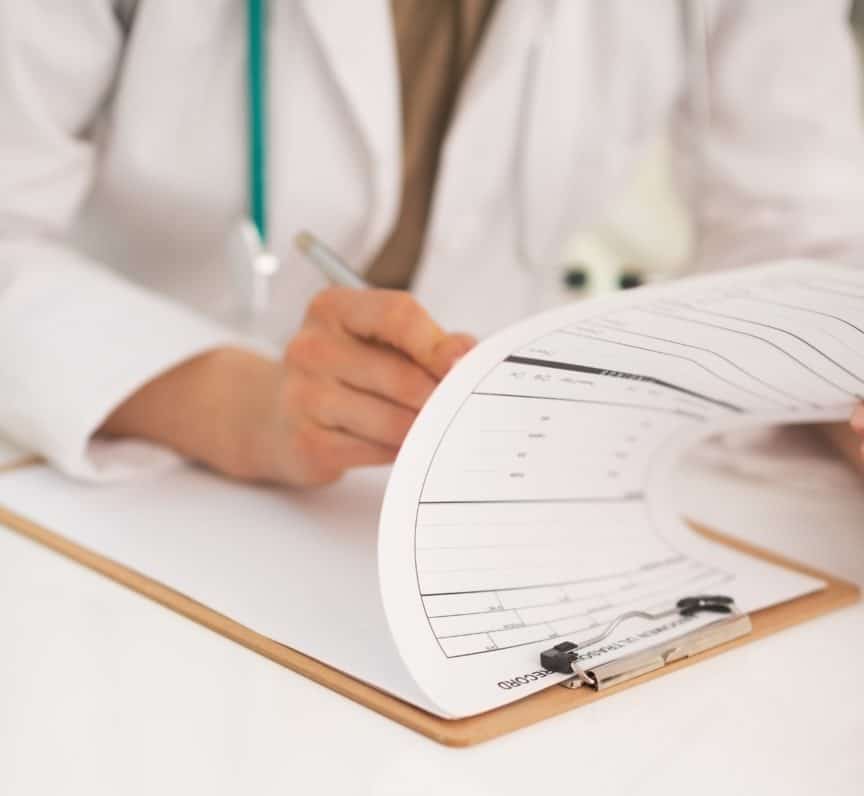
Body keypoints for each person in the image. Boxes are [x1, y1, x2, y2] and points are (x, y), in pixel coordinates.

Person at [1, 0, 863, 487]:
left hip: (491, 502)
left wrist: (844, 390)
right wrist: (242, 406)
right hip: (124, 475)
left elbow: (810, 232)